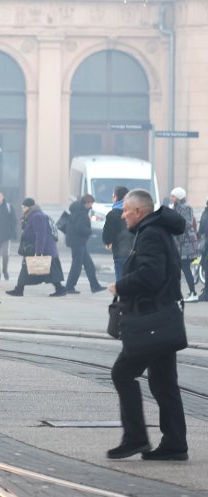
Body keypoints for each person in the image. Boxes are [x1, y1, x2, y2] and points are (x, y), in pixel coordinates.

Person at [106, 189, 188, 461]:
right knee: (164, 383)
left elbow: (151, 275)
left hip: (150, 321)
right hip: (162, 319)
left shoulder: (150, 234)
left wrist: (121, 285)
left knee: (122, 373)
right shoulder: (156, 230)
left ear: (139, 211)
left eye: (126, 211)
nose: (123, 216)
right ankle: (175, 444)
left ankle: (135, 438)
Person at [6, 198, 66, 297]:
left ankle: (59, 288)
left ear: (29, 207)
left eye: (23, 207)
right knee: (32, 269)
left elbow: (40, 235)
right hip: (35, 247)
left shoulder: (37, 216)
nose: (22, 209)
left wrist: (39, 252)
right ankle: (19, 289)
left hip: (43, 248)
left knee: (48, 270)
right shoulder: (31, 216)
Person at [64, 194, 103, 294]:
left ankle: (95, 286)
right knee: (76, 265)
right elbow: (79, 227)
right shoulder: (81, 213)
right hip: (78, 242)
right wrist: (89, 231)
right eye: (90, 203)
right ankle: (69, 287)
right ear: (85, 203)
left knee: (89, 264)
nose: (91, 206)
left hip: (77, 242)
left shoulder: (77, 211)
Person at [168, 187, 199, 301]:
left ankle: (192, 293)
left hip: (186, 245)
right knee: (182, 269)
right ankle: (190, 293)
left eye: (174, 196)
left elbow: (185, 224)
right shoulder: (175, 208)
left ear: (179, 197)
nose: (172, 198)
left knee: (184, 268)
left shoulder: (186, 208)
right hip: (180, 245)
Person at [102, 186, 134, 282]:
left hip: (120, 252)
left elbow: (108, 233)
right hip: (135, 250)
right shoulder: (135, 212)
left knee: (121, 276)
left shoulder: (113, 213)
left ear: (116, 197)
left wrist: (107, 242)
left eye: (113, 196)